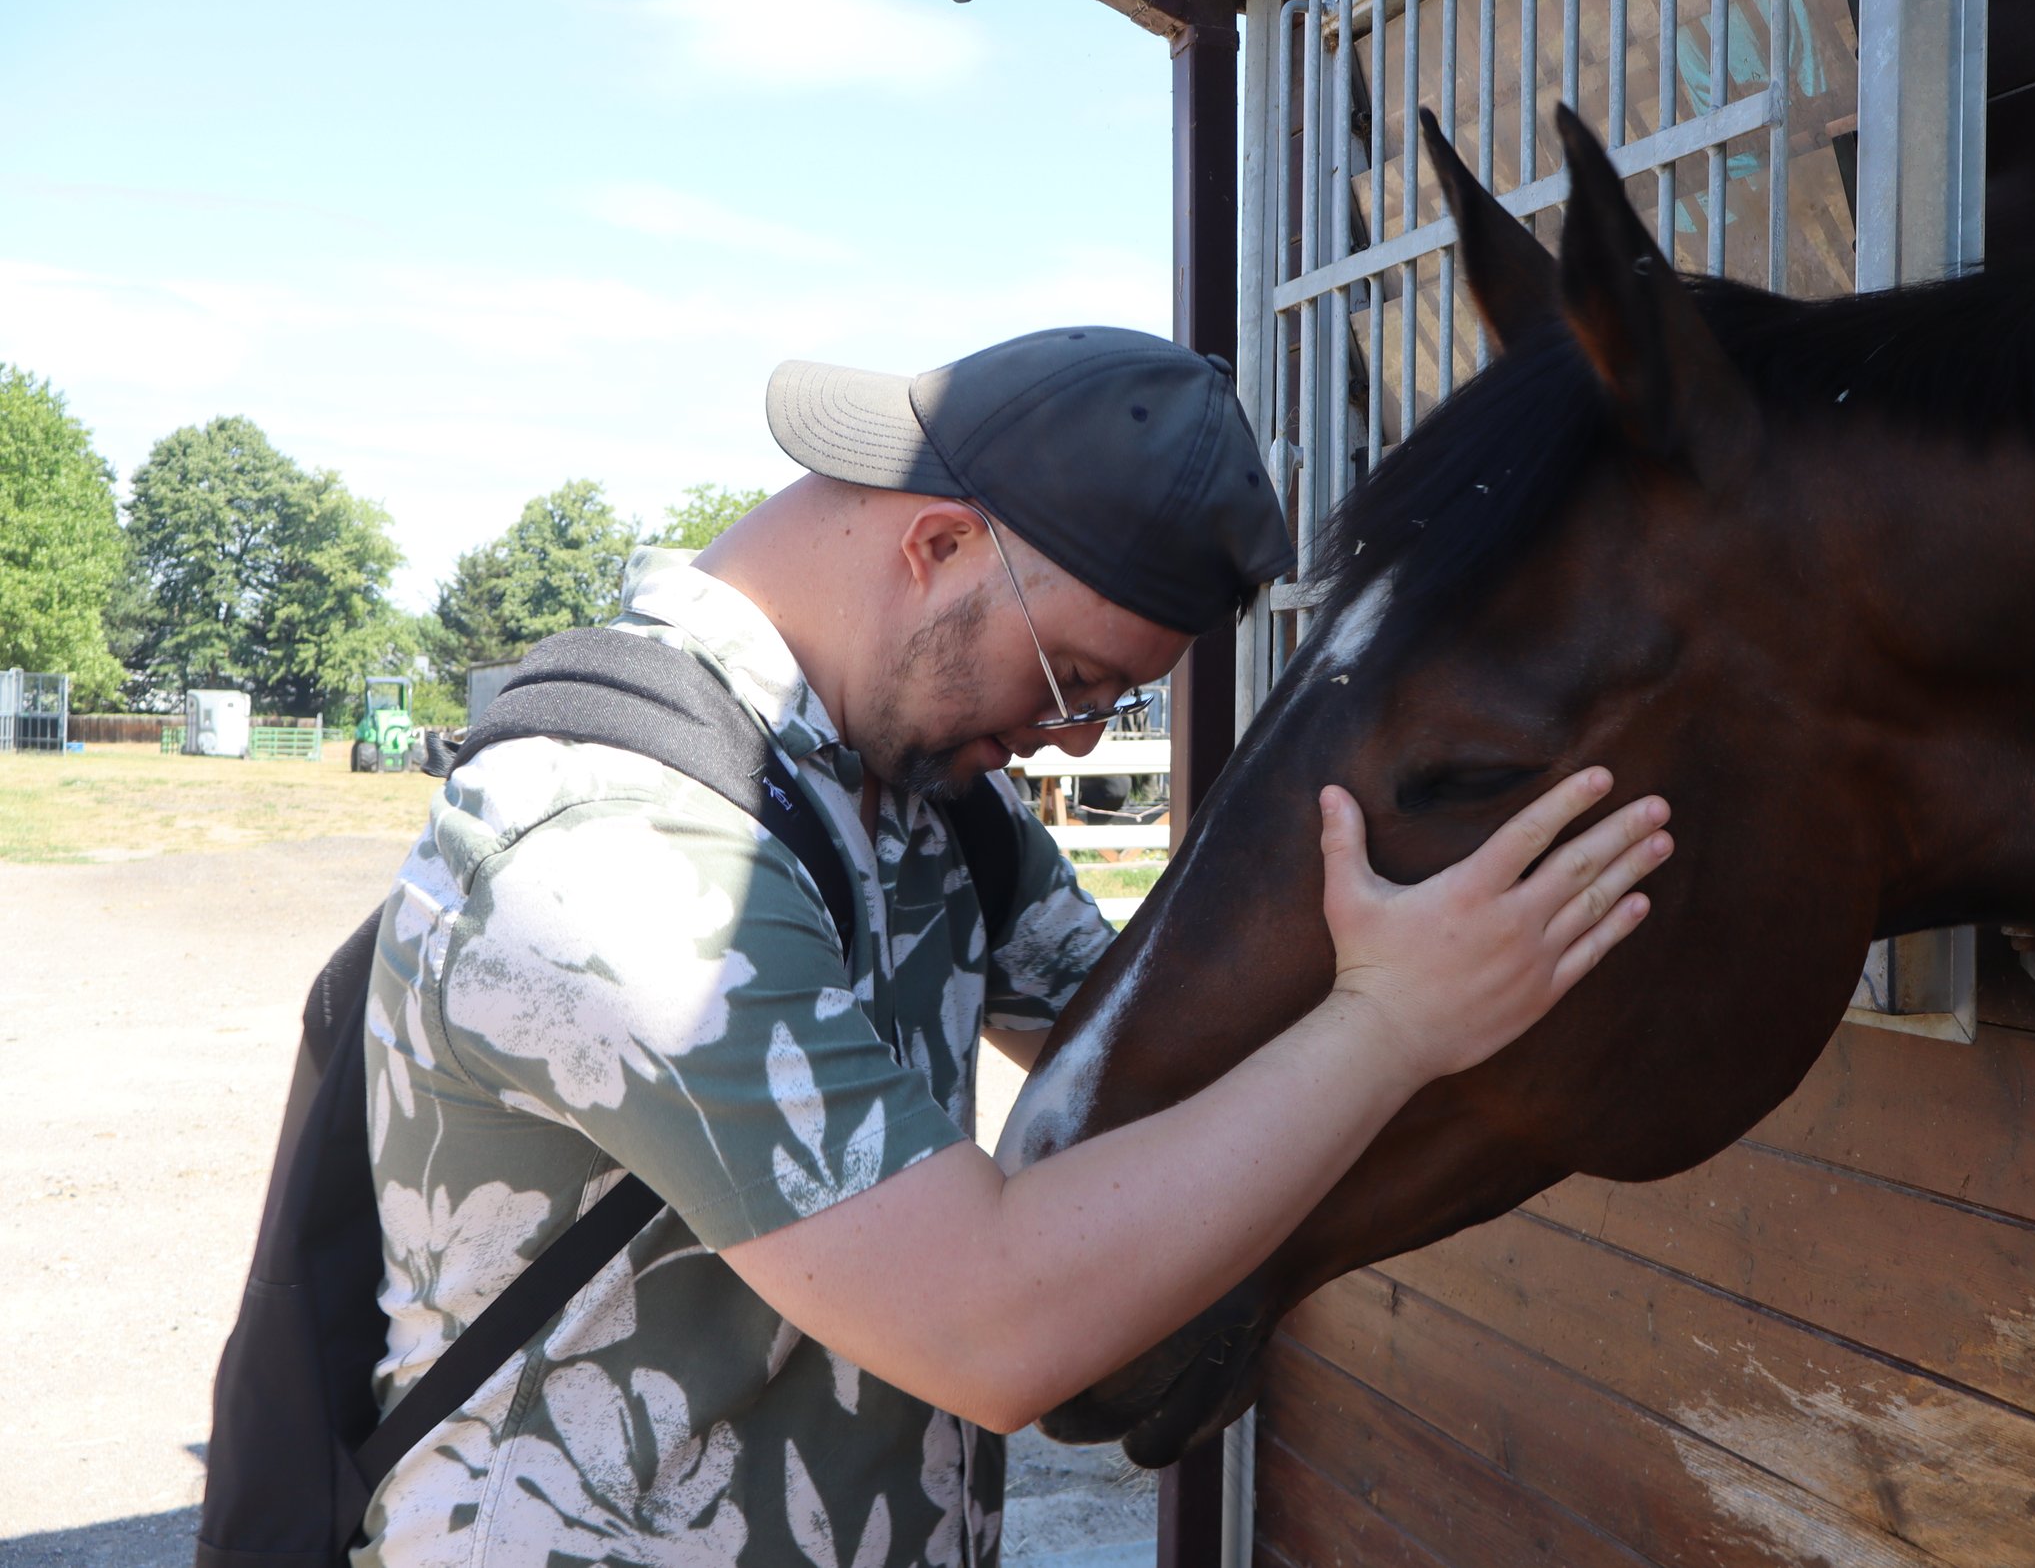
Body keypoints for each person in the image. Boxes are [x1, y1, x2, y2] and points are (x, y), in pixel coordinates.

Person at [357, 327, 1673, 1563]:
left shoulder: (924, 803)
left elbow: (1145, 1040)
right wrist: (1391, 1023)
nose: (1077, 743)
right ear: (938, 544)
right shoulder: (617, 851)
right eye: (1074, 684)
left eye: (1115, 705)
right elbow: (990, 1324)